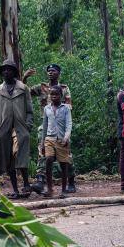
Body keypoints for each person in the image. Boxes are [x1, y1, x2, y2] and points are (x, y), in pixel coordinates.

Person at [26, 64, 77, 194]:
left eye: (53, 71)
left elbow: (69, 107)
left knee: (65, 155)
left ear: (58, 73)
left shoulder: (64, 89)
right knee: (42, 152)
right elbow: (24, 91)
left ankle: (71, 180)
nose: (50, 73)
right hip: (45, 126)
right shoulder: (41, 87)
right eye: (48, 71)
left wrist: (66, 132)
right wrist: (25, 77)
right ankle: (40, 180)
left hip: (61, 126)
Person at [0, 58, 34, 199]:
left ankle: (26, 184)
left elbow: (29, 110)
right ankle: (15, 189)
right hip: (4, 129)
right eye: (4, 69)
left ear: (14, 72)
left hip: (21, 128)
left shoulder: (23, 89)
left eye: (9, 69)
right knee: (9, 159)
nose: (6, 71)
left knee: (21, 155)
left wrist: (28, 126)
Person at [39, 85, 73, 197]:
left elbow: (69, 124)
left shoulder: (66, 108)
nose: (54, 96)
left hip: (61, 139)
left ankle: (64, 190)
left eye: (56, 94)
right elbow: (44, 126)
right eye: (52, 94)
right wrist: (42, 142)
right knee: (48, 160)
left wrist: (66, 137)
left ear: (61, 95)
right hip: (49, 138)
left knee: (63, 164)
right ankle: (49, 189)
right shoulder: (47, 108)